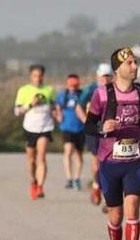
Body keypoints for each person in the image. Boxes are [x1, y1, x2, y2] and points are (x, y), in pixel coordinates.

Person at [84, 48, 140, 240]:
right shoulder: (102, 94)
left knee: (133, 208)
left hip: (135, 162)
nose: (135, 67)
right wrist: (102, 128)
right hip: (109, 162)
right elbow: (89, 125)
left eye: (136, 63)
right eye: (130, 64)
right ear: (117, 69)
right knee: (115, 216)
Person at [13, 63, 57, 200]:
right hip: (30, 128)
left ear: (43, 76)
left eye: (40, 75)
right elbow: (16, 111)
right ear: (31, 76)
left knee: (41, 157)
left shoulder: (49, 90)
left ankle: (40, 187)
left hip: (45, 127)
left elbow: (54, 107)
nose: (38, 78)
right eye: (35, 76)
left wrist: (57, 114)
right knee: (31, 161)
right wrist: (30, 104)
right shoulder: (24, 90)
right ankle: (33, 182)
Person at [80, 62, 112, 207]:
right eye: (103, 76)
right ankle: (96, 186)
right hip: (94, 132)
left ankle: (108, 195)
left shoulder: (115, 90)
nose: (105, 79)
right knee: (96, 165)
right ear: (97, 76)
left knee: (108, 163)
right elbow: (78, 107)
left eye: (108, 76)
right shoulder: (90, 90)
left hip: (110, 132)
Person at [55, 74, 88, 190]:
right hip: (67, 128)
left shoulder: (83, 95)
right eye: (71, 85)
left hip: (80, 128)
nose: (73, 87)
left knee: (79, 155)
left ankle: (76, 178)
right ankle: (69, 178)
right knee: (68, 150)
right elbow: (57, 107)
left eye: (75, 85)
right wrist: (58, 116)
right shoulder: (62, 95)